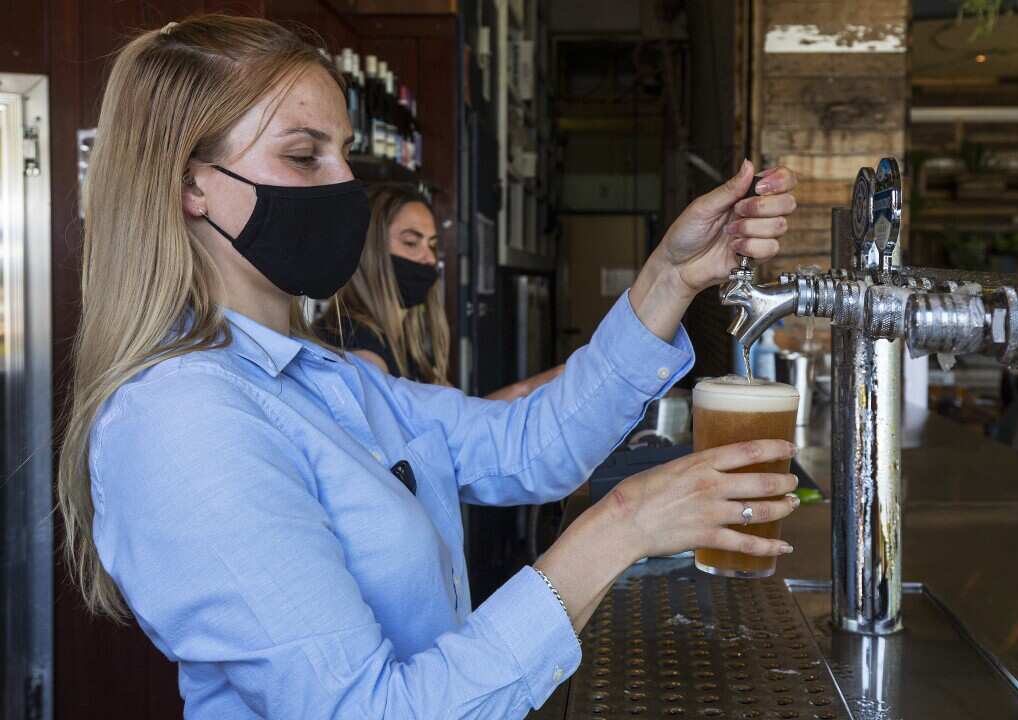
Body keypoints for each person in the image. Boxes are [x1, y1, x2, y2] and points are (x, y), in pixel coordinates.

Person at [58, 16, 801, 719]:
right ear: (191, 184)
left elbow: (529, 446)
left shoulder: (329, 379)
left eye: (344, 153)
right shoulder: (183, 422)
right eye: (302, 155)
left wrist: (670, 278)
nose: (344, 185)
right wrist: (624, 525)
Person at [314, 184, 561, 399]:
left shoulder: (409, 345)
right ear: (369, 253)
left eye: (432, 245)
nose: (428, 258)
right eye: (411, 243)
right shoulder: (359, 349)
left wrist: (532, 388)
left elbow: (462, 420)